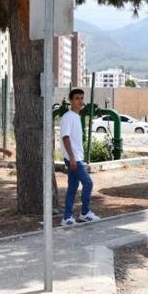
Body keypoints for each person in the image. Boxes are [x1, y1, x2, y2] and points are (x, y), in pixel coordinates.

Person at [59, 89, 101, 226]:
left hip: (77, 157)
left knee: (72, 187)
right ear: (71, 101)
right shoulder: (68, 116)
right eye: (77, 98)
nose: (80, 101)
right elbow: (65, 137)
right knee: (88, 183)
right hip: (73, 158)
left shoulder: (76, 117)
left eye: (81, 98)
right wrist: (72, 158)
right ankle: (84, 213)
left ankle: (67, 217)